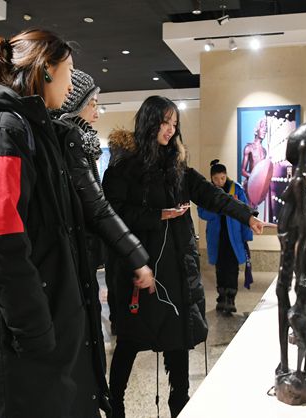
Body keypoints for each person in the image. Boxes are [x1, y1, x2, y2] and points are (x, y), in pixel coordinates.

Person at [0, 29, 110, 418]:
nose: (72, 83)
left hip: (52, 320)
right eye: (69, 70)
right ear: (45, 70)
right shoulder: (1, 132)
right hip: (28, 333)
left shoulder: (35, 131)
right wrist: (35, 330)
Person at [102, 96, 264, 418]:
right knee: (131, 341)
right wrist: (157, 215)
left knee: (177, 338)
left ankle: (180, 403)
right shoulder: (124, 168)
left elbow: (211, 194)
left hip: (175, 272)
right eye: (165, 122)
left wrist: (247, 215)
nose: (170, 129)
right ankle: (114, 404)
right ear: (149, 122)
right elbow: (112, 215)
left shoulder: (177, 167)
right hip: (141, 271)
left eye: (174, 124)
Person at [51, 69, 153, 340]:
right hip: (75, 252)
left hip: (81, 250)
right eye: (92, 105)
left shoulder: (76, 144)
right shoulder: (71, 143)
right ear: (75, 104)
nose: (96, 115)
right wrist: (136, 256)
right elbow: (96, 206)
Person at [197, 159, 253, 314]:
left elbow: (245, 213)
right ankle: (221, 297)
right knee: (220, 267)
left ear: (226, 175)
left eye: (222, 178)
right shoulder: (207, 192)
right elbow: (202, 212)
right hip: (217, 237)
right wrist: (216, 210)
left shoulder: (236, 190)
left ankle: (231, 298)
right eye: (216, 179)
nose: (219, 182)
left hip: (234, 237)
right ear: (211, 178)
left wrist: (246, 236)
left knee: (232, 268)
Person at [240, 117, 268, 186]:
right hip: (251, 185)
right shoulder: (249, 148)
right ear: (256, 130)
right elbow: (242, 171)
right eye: (262, 127)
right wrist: (253, 177)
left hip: (261, 185)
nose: (264, 130)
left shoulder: (264, 151)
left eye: (266, 128)